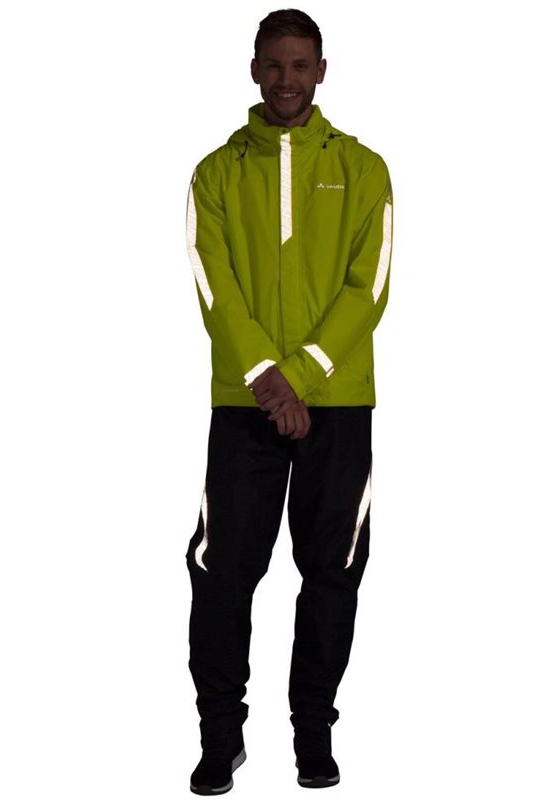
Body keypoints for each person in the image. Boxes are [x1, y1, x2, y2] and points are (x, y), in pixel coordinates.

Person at [184, 9, 393, 794]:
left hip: (338, 403)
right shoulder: (215, 173)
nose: (286, 80)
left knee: (332, 570)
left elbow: (369, 286)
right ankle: (220, 736)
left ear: (321, 72)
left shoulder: (365, 169)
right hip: (245, 404)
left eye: (300, 65)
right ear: (253, 70)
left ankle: (313, 733)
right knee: (221, 571)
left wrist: (298, 377)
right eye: (273, 65)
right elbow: (213, 284)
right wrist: (266, 379)